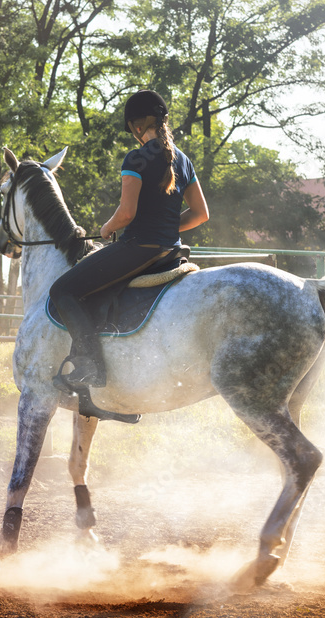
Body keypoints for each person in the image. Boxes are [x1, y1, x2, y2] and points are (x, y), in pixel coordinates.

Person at [50, 89, 210, 393]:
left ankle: (89, 365)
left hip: (138, 249)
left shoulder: (135, 158)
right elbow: (201, 214)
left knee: (63, 289)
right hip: (171, 252)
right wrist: (166, 226)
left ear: (137, 126)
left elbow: (126, 214)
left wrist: (107, 228)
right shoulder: (183, 160)